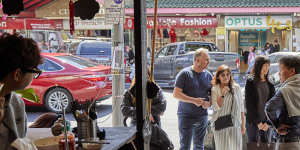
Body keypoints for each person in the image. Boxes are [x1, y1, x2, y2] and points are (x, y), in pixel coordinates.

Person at [0, 33, 42, 149]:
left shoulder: (16, 103)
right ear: (18, 74)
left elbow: (19, 142)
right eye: (34, 72)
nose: (33, 77)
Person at [173, 48, 212, 150]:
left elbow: (212, 96)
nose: (208, 62)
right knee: (185, 146)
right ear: (197, 60)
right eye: (206, 59)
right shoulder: (184, 74)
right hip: (186, 116)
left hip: (202, 116)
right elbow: (176, 94)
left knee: (199, 146)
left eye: (208, 59)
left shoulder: (208, 75)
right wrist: (193, 100)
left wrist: (209, 103)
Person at [265, 55, 300, 150]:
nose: (279, 73)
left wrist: (276, 125)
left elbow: (269, 108)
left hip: (287, 140)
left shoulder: (285, 90)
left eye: (281, 69)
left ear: (292, 71)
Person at [211, 65, 245, 150]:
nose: (226, 77)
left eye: (228, 74)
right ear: (218, 77)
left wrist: (243, 125)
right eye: (223, 75)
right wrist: (222, 94)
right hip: (220, 123)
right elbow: (216, 107)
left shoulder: (236, 87)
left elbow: (241, 107)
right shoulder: (215, 89)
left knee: (236, 147)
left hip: (235, 123)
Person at [245, 56, 276, 149]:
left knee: (266, 145)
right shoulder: (250, 81)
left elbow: (273, 105)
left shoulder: (270, 82)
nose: (266, 68)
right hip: (253, 121)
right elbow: (249, 104)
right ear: (259, 66)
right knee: (253, 145)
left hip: (266, 122)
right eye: (264, 66)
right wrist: (258, 122)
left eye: (268, 66)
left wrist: (268, 122)